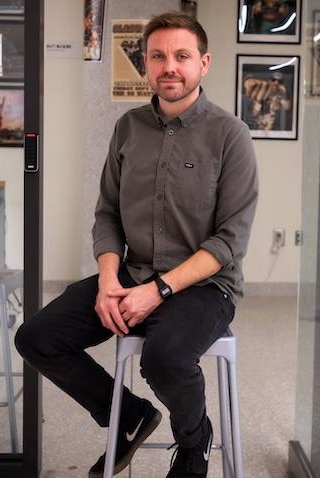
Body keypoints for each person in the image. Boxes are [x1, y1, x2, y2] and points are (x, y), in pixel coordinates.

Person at [15, 11, 258, 478]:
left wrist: (158, 291)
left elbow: (229, 241)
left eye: (182, 56)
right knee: (37, 338)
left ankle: (194, 441)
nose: (170, 66)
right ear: (146, 64)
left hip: (206, 287)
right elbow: (106, 213)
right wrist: (109, 279)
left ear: (203, 64)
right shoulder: (128, 128)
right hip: (132, 273)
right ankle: (127, 416)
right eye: (159, 56)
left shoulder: (231, 136)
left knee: (163, 359)